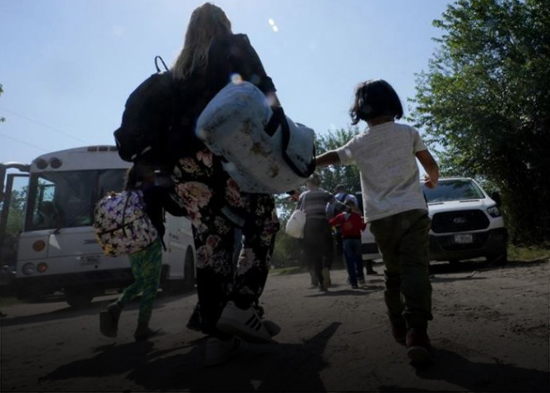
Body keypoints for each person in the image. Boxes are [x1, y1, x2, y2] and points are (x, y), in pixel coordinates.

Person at [169, 3, 281, 366]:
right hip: (230, 156)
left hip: (186, 166)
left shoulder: (179, 69)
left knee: (209, 244)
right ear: (225, 24)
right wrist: (280, 139)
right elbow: (267, 97)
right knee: (262, 225)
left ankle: (218, 338)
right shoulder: (235, 46)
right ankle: (243, 304)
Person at [315, 79, 439, 366]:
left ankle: (398, 323)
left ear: (360, 109)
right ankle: (417, 332)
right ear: (394, 104)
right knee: (415, 270)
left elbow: (335, 157)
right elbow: (429, 163)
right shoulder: (408, 133)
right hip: (412, 212)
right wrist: (433, 179)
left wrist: (309, 162)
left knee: (393, 273)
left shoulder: (359, 143)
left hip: (381, 219)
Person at [99, 164, 178, 341]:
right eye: (152, 170)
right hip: (150, 242)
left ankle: (117, 307)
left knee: (142, 280)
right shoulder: (156, 192)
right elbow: (177, 210)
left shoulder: (126, 195)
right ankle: (141, 326)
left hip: (131, 243)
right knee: (151, 284)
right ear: (148, 174)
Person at [296, 172, 339, 291]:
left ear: (309, 183)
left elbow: (297, 212)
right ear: (319, 182)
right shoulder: (325, 193)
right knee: (329, 249)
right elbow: (337, 205)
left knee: (315, 255)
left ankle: (321, 283)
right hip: (323, 224)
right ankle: (326, 268)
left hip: (309, 226)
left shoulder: (303, 196)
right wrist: (349, 210)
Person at [329, 200, 366, 289]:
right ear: (353, 207)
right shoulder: (357, 216)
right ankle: (361, 278)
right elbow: (362, 228)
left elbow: (330, 223)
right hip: (357, 239)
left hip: (346, 240)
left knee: (350, 262)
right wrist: (364, 221)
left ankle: (353, 282)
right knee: (358, 260)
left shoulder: (340, 216)